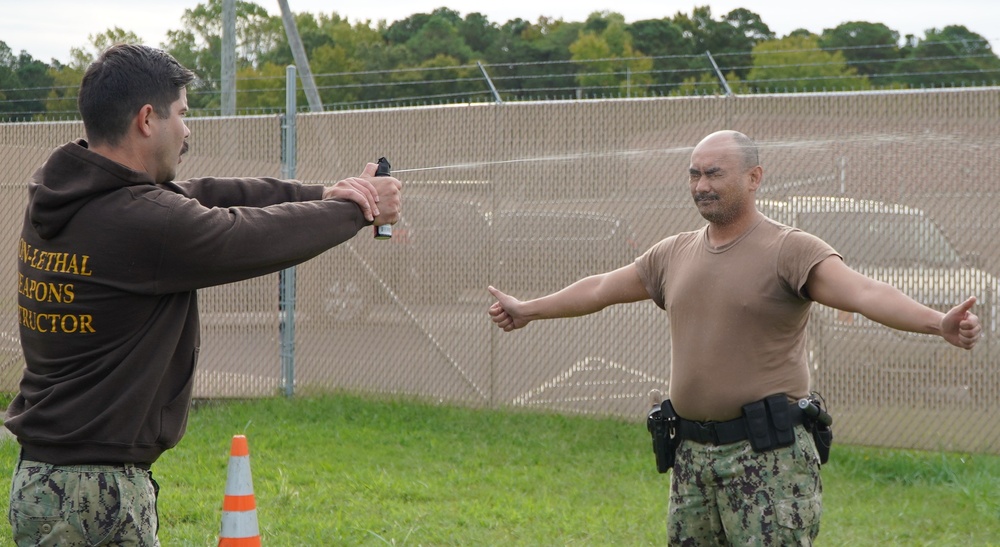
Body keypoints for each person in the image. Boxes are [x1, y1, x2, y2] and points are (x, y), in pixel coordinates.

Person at [487, 130, 981, 545]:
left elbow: (864, 292)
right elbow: (599, 288)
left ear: (754, 177)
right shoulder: (672, 253)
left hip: (767, 460)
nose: (701, 185)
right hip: (692, 457)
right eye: (694, 173)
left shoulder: (790, 249)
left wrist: (936, 322)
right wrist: (529, 309)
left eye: (714, 173)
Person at [5, 44, 401, 546]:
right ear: (148, 119)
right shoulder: (139, 222)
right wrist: (357, 210)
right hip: (96, 490)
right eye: (183, 114)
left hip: (45, 477)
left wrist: (326, 194)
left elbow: (206, 195)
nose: (187, 130)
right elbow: (242, 235)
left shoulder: (68, 197)